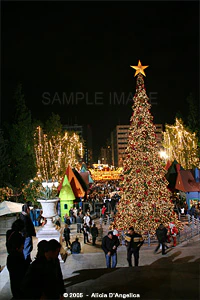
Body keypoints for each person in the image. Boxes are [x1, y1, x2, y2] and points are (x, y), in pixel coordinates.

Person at [7, 232, 28, 299]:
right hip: (20, 290)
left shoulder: (10, 257)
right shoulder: (17, 258)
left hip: (16, 289)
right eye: (22, 246)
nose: (23, 247)